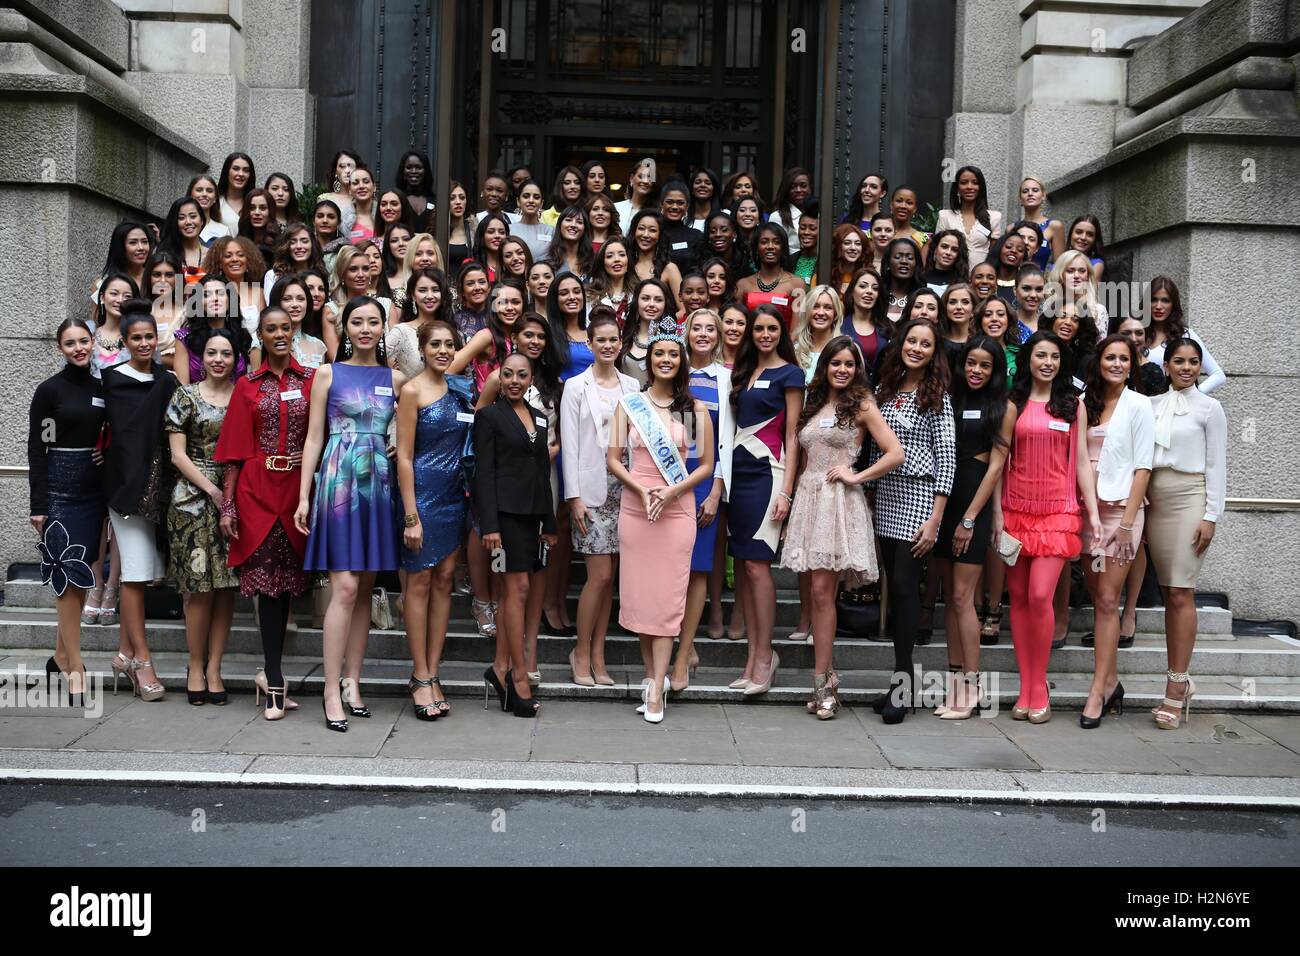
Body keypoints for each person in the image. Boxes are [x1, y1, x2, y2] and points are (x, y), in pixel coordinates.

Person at [296, 296, 406, 732]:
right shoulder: (327, 373)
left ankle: (352, 682)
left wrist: (397, 434)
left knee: (364, 589)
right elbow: (312, 439)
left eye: (373, 322)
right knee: (343, 587)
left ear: (383, 328)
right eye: (357, 321)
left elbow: (414, 421)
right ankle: (328, 689)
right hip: (339, 479)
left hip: (378, 482)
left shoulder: (396, 379)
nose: (365, 328)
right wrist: (304, 496)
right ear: (345, 327)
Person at [780, 336, 902, 718]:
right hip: (809, 498)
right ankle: (827, 676)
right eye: (836, 363)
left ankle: (821, 682)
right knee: (817, 594)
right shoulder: (813, 402)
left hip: (838, 500)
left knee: (822, 590)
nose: (843, 370)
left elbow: (895, 453)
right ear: (826, 366)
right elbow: (798, 454)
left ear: (857, 369)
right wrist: (787, 496)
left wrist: (857, 475)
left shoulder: (863, 404)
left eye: (850, 364)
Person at [606, 316, 714, 722]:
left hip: (675, 509)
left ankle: (655, 691)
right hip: (637, 510)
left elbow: (705, 465)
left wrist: (671, 490)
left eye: (672, 353)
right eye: (659, 354)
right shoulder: (631, 405)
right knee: (640, 601)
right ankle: (655, 678)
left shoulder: (691, 408)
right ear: (648, 360)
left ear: (681, 360)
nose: (665, 359)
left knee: (668, 601)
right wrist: (641, 488)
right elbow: (614, 459)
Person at [216, 306, 315, 721]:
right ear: (261, 335)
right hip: (257, 493)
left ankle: (270, 673)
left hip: (298, 491)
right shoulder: (247, 384)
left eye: (285, 328)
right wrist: (227, 504)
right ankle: (274, 679)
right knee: (270, 588)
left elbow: (324, 434)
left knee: (291, 585)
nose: (279, 334)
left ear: (294, 332)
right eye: (271, 329)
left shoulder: (311, 380)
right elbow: (234, 452)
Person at [998, 331, 1102, 724]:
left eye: (1054, 357)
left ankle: (1039, 685)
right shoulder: (1014, 403)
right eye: (1040, 355)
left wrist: (1091, 513)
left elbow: (1080, 466)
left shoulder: (1072, 406)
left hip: (1058, 513)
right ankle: (1025, 689)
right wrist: (995, 516)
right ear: (1027, 360)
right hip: (1015, 512)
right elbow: (1000, 463)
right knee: (1020, 601)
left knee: (1041, 596)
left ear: (1061, 363)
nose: (1047, 362)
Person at [868, 319, 956, 724]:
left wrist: (936, 518)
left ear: (933, 351)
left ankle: (904, 685)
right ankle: (896, 684)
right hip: (885, 497)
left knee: (905, 589)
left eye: (925, 344)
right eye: (911, 341)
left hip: (919, 499)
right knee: (894, 586)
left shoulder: (937, 395)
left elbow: (947, 459)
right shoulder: (885, 390)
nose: (916, 348)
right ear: (901, 344)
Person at [1146, 338, 1227, 730]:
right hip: (1152, 501)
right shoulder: (1150, 405)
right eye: (1179, 361)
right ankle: (1180, 676)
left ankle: (1176, 686)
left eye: (1194, 362)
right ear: (1166, 365)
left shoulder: (1210, 409)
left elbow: (1216, 466)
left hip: (1190, 498)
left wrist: (1211, 515)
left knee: (1181, 590)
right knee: (1167, 591)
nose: (1187, 368)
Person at [396, 318, 472, 720]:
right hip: (421, 496)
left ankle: (433, 671)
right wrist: (411, 516)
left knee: (445, 580)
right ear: (422, 350)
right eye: (435, 345)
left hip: (452, 497)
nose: (442, 351)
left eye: (449, 344)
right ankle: (420, 674)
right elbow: (404, 457)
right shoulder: (411, 391)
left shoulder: (460, 390)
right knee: (420, 582)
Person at [1077, 334, 1155, 728]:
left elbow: (1144, 467)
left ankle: (1098, 689)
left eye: (1125, 359)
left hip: (1121, 514)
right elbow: (1077, 461)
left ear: (1132, 365)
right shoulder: (1084, 403)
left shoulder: (1139, 405)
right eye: (1111, 357)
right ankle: (1112, 681)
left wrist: (1126, 525)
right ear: (1099, 361)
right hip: (1086, 511)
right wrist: (1086, 512)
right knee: (1097, 597)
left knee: (1108, 599)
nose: (1118, 364)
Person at [102, 302, 178, 702]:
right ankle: (142, 661)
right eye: (137, 338)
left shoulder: (167, 380)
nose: (145, 343)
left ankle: (123, 653)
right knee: (134, 574)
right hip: (125, 488)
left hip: (160, 488)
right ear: (125, 341)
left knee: (143, 570)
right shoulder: (110, 380)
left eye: (150, 337)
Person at [474, 353, 557, 718]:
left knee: (519, 591)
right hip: (503, 519)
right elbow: (484, 474)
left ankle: (500, 668)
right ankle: (518, 674)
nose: (514, 381)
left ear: (530, 379)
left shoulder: (539, 417)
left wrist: (550, 522)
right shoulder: (489, 416)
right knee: (516, 589)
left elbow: (542, 473)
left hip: (532, 517)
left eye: (521, 375)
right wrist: (489, 525)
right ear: (498, 378)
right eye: (507, 374)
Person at [28, 319, 106, 707]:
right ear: (60, 347)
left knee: (83, 575)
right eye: (70, 343)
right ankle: (76, 667)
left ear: (93, 342)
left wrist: (103, 453)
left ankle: (60, 656)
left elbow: (108, 432)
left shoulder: (100, 387)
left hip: (93, 490)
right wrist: (38, 505)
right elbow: (37, 451)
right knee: (65, 576)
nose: (78, 348)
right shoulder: (49, 391)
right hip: (58, 491)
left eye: (84, 341)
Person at [932, 337, 1011, 718]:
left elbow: (996, 467)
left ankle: (973, 686)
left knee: (964, 598)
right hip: (944, 500)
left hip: (971, 507)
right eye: (971, 364)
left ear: (996, 370)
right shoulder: (951, 398)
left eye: (985, 365)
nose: (976, 371)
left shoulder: (1004, 407)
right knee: (951, 597)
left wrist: (970, 519)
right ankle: (954, 684)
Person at [727, 304, 804, 695]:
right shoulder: (742, 373)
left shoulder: (791, 374)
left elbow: (792, 436)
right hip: (737, 478)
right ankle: (752, 657)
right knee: (743, 565)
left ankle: (765, 656)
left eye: (772, 328)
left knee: (758, 567)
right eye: (758, 329)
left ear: (782, 332)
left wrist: (788, 492)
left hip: (768, 475)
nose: (765, 334)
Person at [561, 313, 639, 686]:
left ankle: (598, 655)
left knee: (611, 580)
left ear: (621, 343)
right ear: (589, 344)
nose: (607, 346)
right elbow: (571, 445)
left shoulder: (633, 385)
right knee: (600, 574)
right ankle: (580, 650)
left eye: (613, 339)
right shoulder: (576, 387)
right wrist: (573, 498)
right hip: (592, 491)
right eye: (600, 340)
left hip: (625, 488)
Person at [165, 328, 240, 705]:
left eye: (226, 353)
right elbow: (177, 455)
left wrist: (227, 494)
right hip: (190, 500)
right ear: (202, 357)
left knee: (226, 588)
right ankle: (195, 666)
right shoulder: (185, 395)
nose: (218, 359)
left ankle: (215, 668)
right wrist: (211, 491)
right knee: (198, 589)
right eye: (212, 352)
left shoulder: (243, 396)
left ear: (235, 358)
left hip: (235, 497)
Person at [675, 308, 733, 686]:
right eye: (696, 327)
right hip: (669, 478)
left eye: (710, 328)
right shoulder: (669, 370)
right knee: (671, 568)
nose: (703, 333)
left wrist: (715, 490)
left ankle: (685, 649)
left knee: (697, 567)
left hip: (703, 481)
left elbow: (726, 439)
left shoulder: (726, 379)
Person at [1142, 276, 1225, 392]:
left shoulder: (1185, 335)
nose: (1158, 306)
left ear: (1173, 304)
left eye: (1165, 300)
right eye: (1154, 300)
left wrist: (1190, 398)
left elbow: (1218, 375)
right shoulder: (1136, 333)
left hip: (1172, 408)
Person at [174, 275, 250, 384]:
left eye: (220, 293)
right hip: (195, 400)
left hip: (236, 399)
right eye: (206, 295)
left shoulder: (242, 335)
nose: (215, 299)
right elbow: (182, 388)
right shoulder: (184, 338)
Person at [734, 221, 806, 325]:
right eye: (764, 242)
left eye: (776, 242)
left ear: (783, 248)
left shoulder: (798, 285)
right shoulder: (742, 285)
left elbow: (798, 328)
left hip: (786, 341)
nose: (770, 246)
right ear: (757, 248)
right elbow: (737, 323)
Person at [936, 165, 1003, 272]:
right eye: (964, 182)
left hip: (980, 279)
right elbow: (938, 251)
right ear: (957, 188)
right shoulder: (945, 216)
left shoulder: (994, 217)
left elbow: (994, 255)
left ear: (981, 187)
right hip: (950, 277)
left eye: (975, 183)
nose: (969, 187)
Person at [618, 277, 677, 385]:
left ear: (665, 304)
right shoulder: (624, 335)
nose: (651, 304)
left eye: (658, 300)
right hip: (625, 400)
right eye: (645, 298)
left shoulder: (673, 339)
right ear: (637, 301)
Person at [841, 267, 890, 379]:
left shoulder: (889, 327)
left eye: (875, 288)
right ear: (852, 291)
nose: (869, 291)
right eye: (863, 286)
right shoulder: (839, 326)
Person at [659, 180, 707, 274]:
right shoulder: (653, 233)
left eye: (680, 203)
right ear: (661, 204)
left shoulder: (696, 236)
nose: (675, 207)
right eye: (669, 202)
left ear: (687, 206)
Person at [1017, 177, 1065, 267]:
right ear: (1020, 199)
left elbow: (1060, 267)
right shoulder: (1012, 228)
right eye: (1025, 191)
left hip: (1042, 279)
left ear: (1043, 196)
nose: (1030, 194)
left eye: (1035, 190)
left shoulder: (1054, 226)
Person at [880, 237, 924, 323]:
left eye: (910, 258)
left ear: (916, 264)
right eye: (897, 257)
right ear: (888, 262)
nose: (904, 261)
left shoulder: (923, 297)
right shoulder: (877, 294)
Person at [770, 167, 811, 255]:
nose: (798, 190)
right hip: (793, 264)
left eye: (803, 186)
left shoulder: (818, 214)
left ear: (810, 188)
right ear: (786, 190)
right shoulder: (777, 216)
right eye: (793, 187)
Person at [216, 152, 255, 231]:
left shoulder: (255, 202)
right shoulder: (215, 201)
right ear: (227, 172)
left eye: (246, 170)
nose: (241, 174)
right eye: (236, 169)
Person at [614, 158, 656, 225]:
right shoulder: (616, 208)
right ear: (631, 178)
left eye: (649, 178)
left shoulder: (657, 212)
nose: (645, 181)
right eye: (641, 176)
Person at [1066, 214, 1106, 281]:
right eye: (1078, 232)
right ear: (1071, 234)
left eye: (1090, 235)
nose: (1083, 237)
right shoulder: (1059, 262)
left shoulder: (1096, 265)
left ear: (1095, 240)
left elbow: (1089, 291)